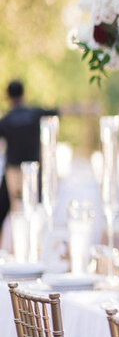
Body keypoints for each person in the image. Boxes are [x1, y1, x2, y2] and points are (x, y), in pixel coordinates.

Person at [0, 80, 58, 231]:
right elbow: (59, 111)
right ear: (23, 94)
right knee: (36, 212)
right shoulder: (34, 114)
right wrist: (88, 108)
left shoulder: (6, 121)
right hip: (35, 173)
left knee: (8, 212)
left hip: (13, 173)